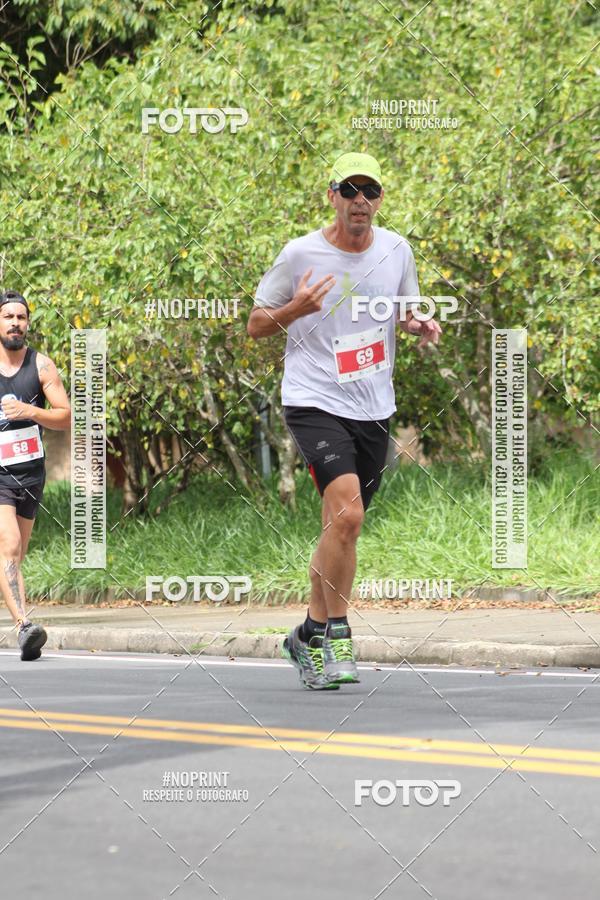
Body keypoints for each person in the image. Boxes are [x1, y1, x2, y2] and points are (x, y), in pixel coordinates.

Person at [247, 151, 442, 690]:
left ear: (380, 199)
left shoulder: (397, 250)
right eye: (350, 190)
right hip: (313, 400)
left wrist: (418, 323)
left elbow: (404, 309)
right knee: (350, 517)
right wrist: (295, 309)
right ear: (330, 195)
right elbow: (256, 325)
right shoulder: (299, 254)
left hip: (373, 406)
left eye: (370, 191)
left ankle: (304, 633)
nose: (361, 201)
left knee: (340, 527)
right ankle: (336, 633)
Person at [0, 290, 71, 660]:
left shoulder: (41, 366)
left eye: (21, 318)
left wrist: (31, 412)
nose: (15, 323)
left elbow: (65, 416)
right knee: (8, 545)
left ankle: (20, 622)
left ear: (28, 324)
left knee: (15, 555)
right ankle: (25, 628)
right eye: (8, 316)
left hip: (30, 473)